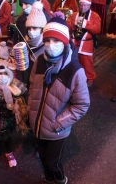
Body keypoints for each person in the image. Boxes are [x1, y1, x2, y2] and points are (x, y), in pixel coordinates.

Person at [27, 17, 90, 184]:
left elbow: (81, 105)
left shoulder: (75, 70)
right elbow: (33, 86)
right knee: (42, 158)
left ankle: (61, 179)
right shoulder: (40, 61)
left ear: (65, 42)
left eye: (56, 40)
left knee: (52, 162)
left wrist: (59, 123)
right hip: (38, 124)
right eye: (47, 40)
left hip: (57, 130)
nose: (50, 44)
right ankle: (48, 179)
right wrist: (30, 111)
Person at [67, 0, 101, 87]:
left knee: (87, 62)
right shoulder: (74, 15)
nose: (83, 7)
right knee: (73, 60)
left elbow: (97, 29)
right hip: (74, 42)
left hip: (86, 42)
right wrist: (74, 25)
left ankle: (89, 78)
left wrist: (86, 24)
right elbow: (68, 26)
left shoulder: (95, 16)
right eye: (81, 5)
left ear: (89, 5)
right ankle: (74, 77)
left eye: (85, 5)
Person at [24, 0, 47, 86]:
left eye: (34, 28)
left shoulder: (47, 46)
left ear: (42, 29)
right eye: (29, 28)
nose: (31, 31)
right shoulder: (26, 43)